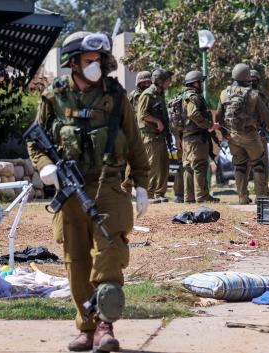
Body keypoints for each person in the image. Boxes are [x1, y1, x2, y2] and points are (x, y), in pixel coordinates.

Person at [26, 31, 150, 352]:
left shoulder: (116, 96)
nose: (96, 65)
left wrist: (141, 184)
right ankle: (86, 326)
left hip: (108, 185)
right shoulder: (54, 97)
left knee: (109, 253)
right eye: (89, 60)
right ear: (73, 64)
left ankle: (105, 326)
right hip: (69, 192)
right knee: (75, 260)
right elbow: (34, 140)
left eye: (98, 60)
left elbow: (135, 144)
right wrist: (44, 167)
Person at [215, 63, 269, 204]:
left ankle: (242, 197)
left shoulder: (224, 93)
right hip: (251, 136)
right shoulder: (253, 94)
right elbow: (266, 115)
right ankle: (261, 198)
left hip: (233, 136)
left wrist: (224, 133)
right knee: (259, 164)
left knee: (239, 166)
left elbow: (218, 117)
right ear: (247, 77)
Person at [179, 70, 221, 203]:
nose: (202, 84)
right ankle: (202, 197)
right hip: (196, 139)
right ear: (195, 83)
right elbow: (193, 114)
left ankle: (189, 198)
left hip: (187, 138)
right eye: (201, 82)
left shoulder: (183, 96)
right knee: (199, 166)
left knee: (188, 168)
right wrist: (209, 125)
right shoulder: (194, 97)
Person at [137, 68, 173, 203]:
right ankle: (148, 194)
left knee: (164, 164)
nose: (169, 82)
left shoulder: (160, 94)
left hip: (161, 135)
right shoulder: (148, 94)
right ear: (160, 81)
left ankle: (160, 193)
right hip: (150, 135)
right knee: (152, 165)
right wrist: (157, 121)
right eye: (167, 80)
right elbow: (142, 115)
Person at [122, 70, 152, 193]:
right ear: (139, 83)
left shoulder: (151, 96)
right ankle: (126, 188)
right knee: (132, 161)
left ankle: (147, 189)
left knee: (147, 161)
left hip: (147, 132)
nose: (147, 84)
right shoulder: (133, 96)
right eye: (144, 82)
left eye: (149, 82)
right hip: (134, 132)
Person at [249, 69, 269, 189]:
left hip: (250, 133)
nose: (253, 82)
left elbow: (266, 113)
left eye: (254, 80)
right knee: (261, 164)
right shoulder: (258, 95)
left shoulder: (238, 95)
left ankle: (249, 193)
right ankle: (261, 191)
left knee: (247, 166)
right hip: (256, 134)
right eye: (251, 80)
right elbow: (264, 114)